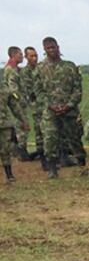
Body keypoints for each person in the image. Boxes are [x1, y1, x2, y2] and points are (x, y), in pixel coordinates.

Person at [35, 36, 85, 178]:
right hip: (50, 112)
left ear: (58, 47)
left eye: (53, 47)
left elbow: (77, 89)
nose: (52, 50)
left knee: (75, 138)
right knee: (50, 139)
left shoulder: (69, 66)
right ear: (44, 50)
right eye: (48, 48)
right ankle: (52, 169)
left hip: (69, 110)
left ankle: (83, 165)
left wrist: (69, 105)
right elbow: (38, 91)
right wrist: (50, 105)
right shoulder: (40, 68)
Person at [3, 47, 28, 181]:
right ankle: (21, 151)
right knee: (20, 128)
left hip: (15, 105)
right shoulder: (10, 70)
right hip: (16, 104)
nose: (22, 56)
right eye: (20, 54)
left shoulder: (13, 70)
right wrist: (20, 100)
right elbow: (13, 90)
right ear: (13, 55)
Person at [20, 46, 43, 160]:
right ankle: (41, 151)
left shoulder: (42, 68)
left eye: (36, 56)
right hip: (35, 104)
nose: (34, 58)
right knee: (39, 127)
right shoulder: (25, 72)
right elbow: (31, 90)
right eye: (31, 56)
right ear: (26, 57)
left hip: (46, 102)